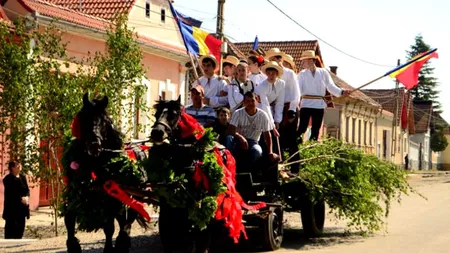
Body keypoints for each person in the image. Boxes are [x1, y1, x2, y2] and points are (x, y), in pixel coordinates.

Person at [297, 50, 350, 143]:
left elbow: (330, 86)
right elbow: (298, 90)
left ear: (312, 61)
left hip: (318, 104)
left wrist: (341, 92)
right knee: (302, 127)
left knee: (316, 130)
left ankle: (312, 146)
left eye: (305, 60)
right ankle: (296, 144)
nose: (303, 63)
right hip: (306, 103)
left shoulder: (323, 72)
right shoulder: (302, 74)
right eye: (303, 61)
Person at [265, 48, 300, 157]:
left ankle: (294, 168)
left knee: (291, 139)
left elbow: (296, 93)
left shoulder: (290, 73)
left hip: (290, 107)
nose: (278, 60)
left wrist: (292, 110)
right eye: (275, 58)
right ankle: (281, 166)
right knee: (279, 138)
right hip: (277, 109)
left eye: (279, 57)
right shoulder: (270, 77)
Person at [229, 92, 278, 163]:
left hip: (253, 141)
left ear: (257, 100)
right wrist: (241, 138)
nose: (250, 103)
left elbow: (267, 134)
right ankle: (230, 163)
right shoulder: (238, 113)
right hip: (238, 140)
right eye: (248, 101)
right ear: (244, 102)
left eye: (252, 101)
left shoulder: (263, 115)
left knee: (257, 151)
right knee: (229, 139)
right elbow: (230, 131)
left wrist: (270, 151)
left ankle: (253, 171)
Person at [2, 161, 30, 239]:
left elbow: (27, 190)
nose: (19, 166)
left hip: (22, 207)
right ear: (12, 168)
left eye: (19, 164)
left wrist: (27, 197)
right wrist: (21, 198)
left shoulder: (22, 177)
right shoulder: (7, 179)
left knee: (21, 226)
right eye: (17, 165)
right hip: (12, 207)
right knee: (10, 227)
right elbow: (11, 193)